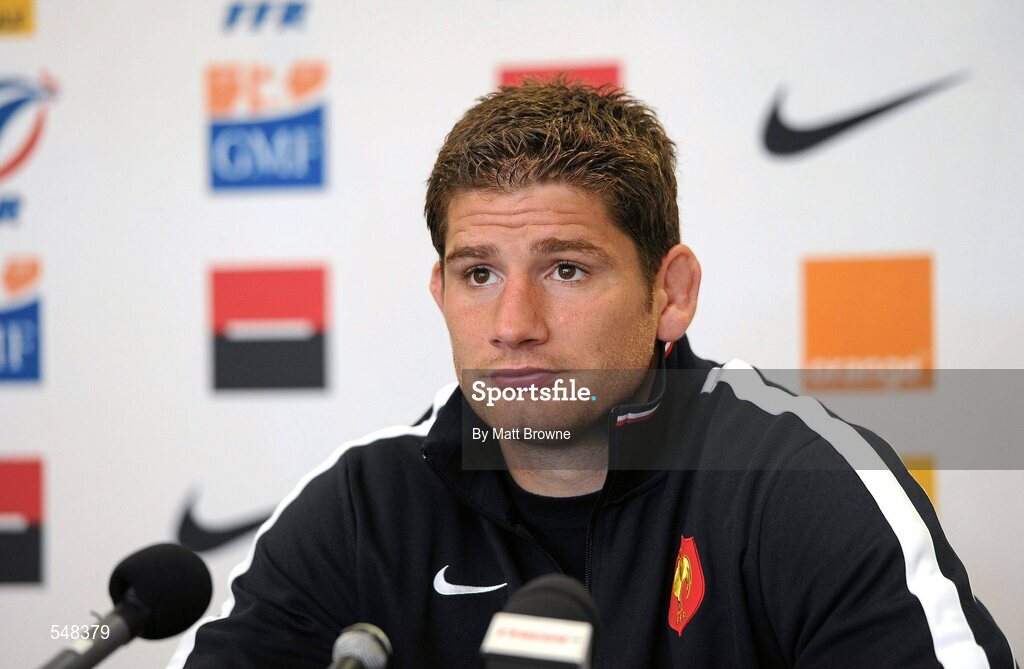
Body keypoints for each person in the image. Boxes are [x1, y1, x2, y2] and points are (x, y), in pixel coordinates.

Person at [171, 80, 1015, 668]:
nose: (513, 325)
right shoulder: (366, 506)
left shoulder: (796, 482)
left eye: (567, 269)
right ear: (440, 292)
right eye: (478, 274)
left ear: (669, 293)